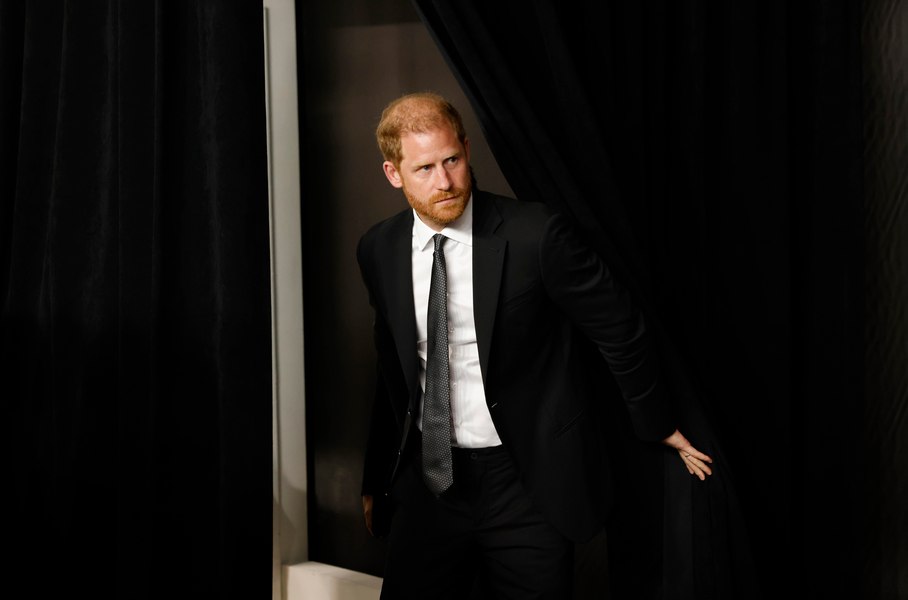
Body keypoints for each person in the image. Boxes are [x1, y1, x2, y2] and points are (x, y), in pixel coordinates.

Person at [356, 91, 713, 599]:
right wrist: (377, 476)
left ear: (467, 149)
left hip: (525, 483)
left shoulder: (536, 234)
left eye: (452, 160)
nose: (445, 182)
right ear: (394, 174)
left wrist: (657, 421)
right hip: (430, 484)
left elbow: (619, 328)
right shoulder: (378, 248)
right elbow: (391, 366)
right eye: (425, 169)